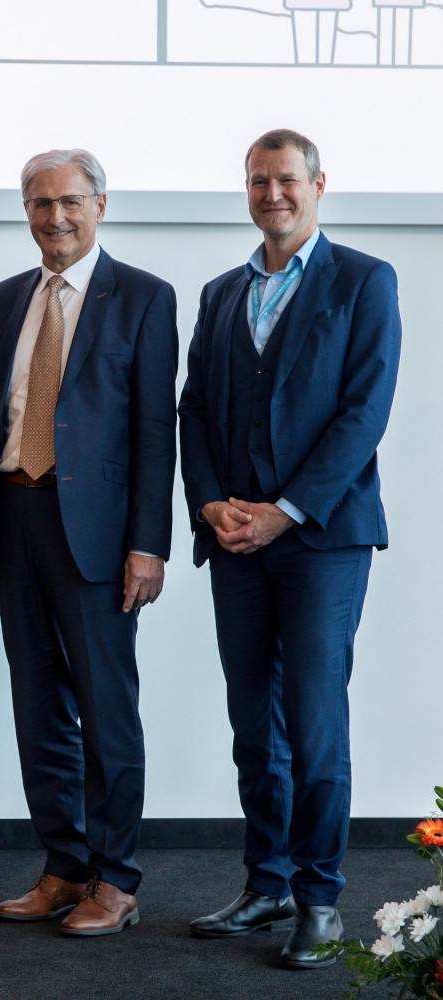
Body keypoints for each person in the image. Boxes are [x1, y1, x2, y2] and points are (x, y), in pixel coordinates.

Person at [179, 129, 401, 968]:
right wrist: (211, 505)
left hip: (323, 540)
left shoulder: (363, 281)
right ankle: (266, 882)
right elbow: (193, 410)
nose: (272, 193)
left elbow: (364, 414)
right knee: (252, 724)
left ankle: (319, 897)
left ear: (317, 186)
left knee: (314, 722)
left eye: (287, 180)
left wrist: (285, 511)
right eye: (258, 181)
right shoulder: (219, 292)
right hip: (235, 540)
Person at [0, 149, 177, 936]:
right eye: (40, 202)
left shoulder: (145, 299)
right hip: (15, 519)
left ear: (101, 205)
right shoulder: (5, 297)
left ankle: (115, 879)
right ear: (26, 211)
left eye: (70, 202)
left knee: (105, 709)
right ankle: (63, 867)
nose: (55, 216)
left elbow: (156, 433)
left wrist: (148, 544)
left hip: (97, 534)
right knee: (38, 706)